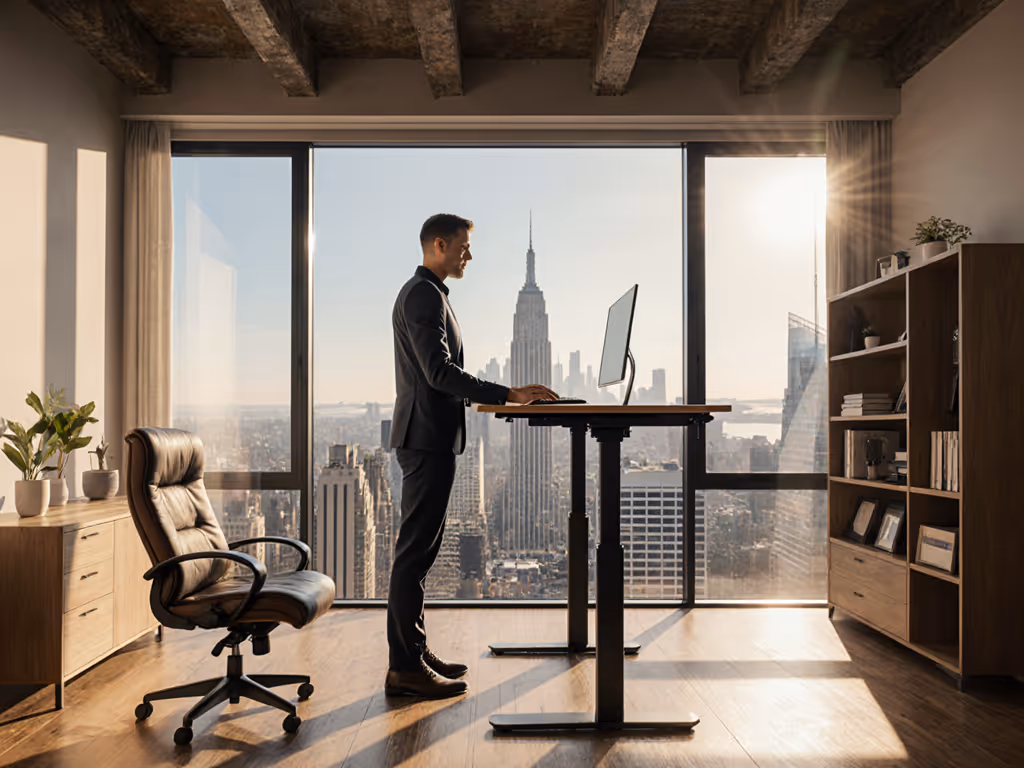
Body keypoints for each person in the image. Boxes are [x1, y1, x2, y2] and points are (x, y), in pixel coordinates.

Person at [385, 213, 558, 699]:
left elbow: (439, 373)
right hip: (425, 441)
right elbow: (439, 374)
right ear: (438, 244)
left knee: (420, 554)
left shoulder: (432, 294)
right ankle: (404, 668)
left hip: (430, 439)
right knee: (413, 556)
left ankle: (413, 653)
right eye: (463, 246)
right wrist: (508, 393)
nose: (469, 255)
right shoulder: (422, 295)